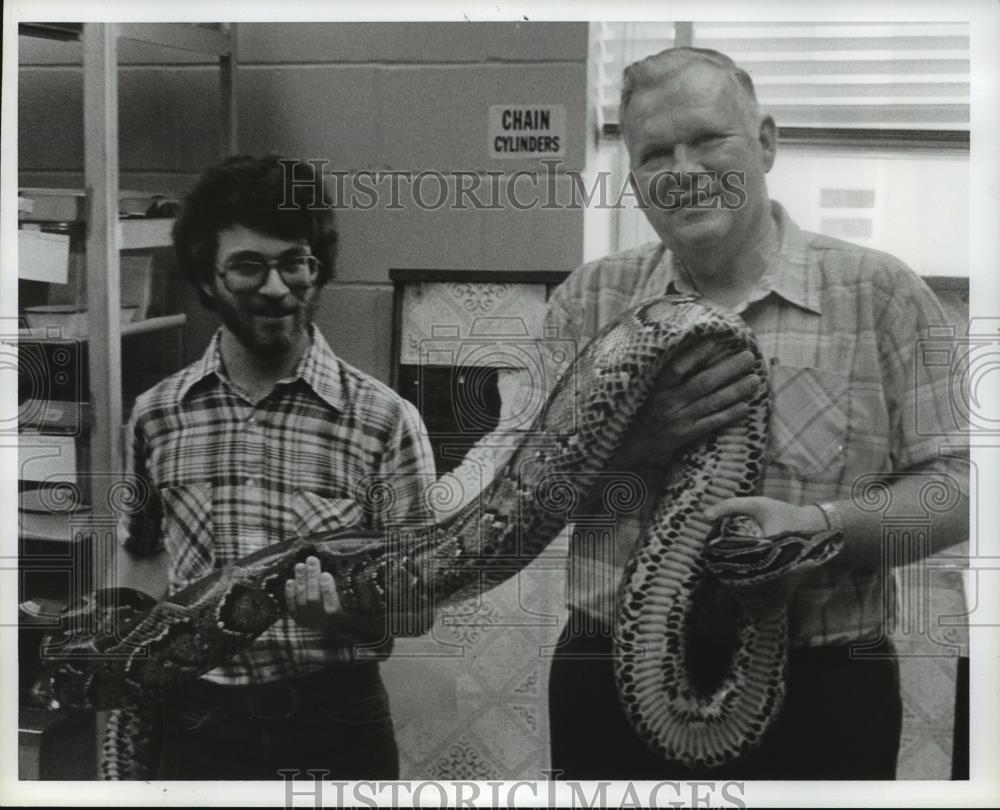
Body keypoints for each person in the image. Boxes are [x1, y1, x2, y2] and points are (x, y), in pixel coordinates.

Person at [532, 47, 968, 780]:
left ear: (764, 141)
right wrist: (629, 449)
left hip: (827, 688)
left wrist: (820, 534)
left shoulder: (881, 294)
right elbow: (514, 486)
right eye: (655, 153)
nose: (683, 169)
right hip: (605, 672)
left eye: (709, 141)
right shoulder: (588, 303)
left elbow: (961, 488)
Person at [112, 154, 436, 780]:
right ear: (207, 281)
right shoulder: (156, 415)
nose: (276, 287)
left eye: (295, 262)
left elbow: (417, 608)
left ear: (318, 270)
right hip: (198, 727)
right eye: (248, 267)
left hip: (337, 725)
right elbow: (143, 558)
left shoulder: (384, 421)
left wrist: (342, 612)